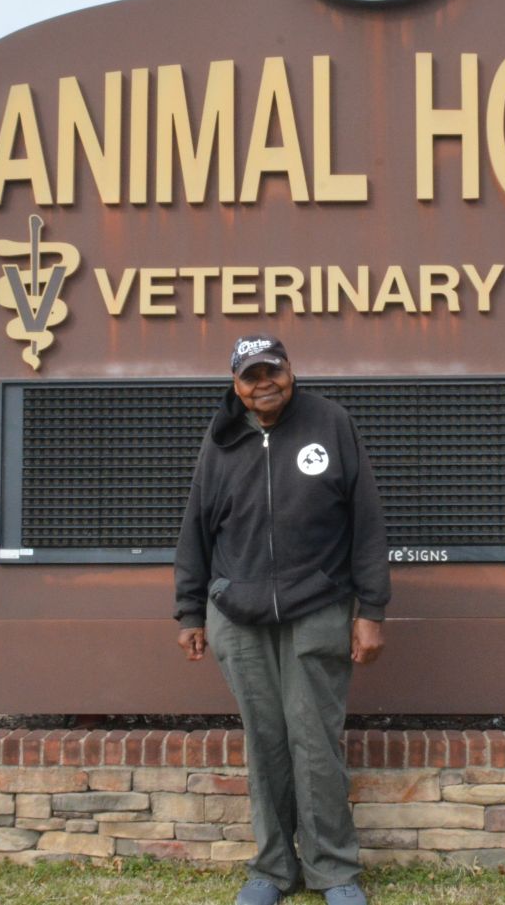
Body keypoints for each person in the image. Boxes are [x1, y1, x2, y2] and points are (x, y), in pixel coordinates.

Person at [174, 334, 390, 905]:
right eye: (251, 375)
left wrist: (371, 609)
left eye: (273, 368)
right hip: (236, 617)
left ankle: (333, 870)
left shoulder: (330, 423)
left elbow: (366, 522)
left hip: (318, 607)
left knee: (315, 740)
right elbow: (196, 528)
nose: (263, 381)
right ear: (237, 387)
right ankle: (272, 869)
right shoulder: (219, 441)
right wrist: (189, 610)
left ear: (291, 370)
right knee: (265, 741)